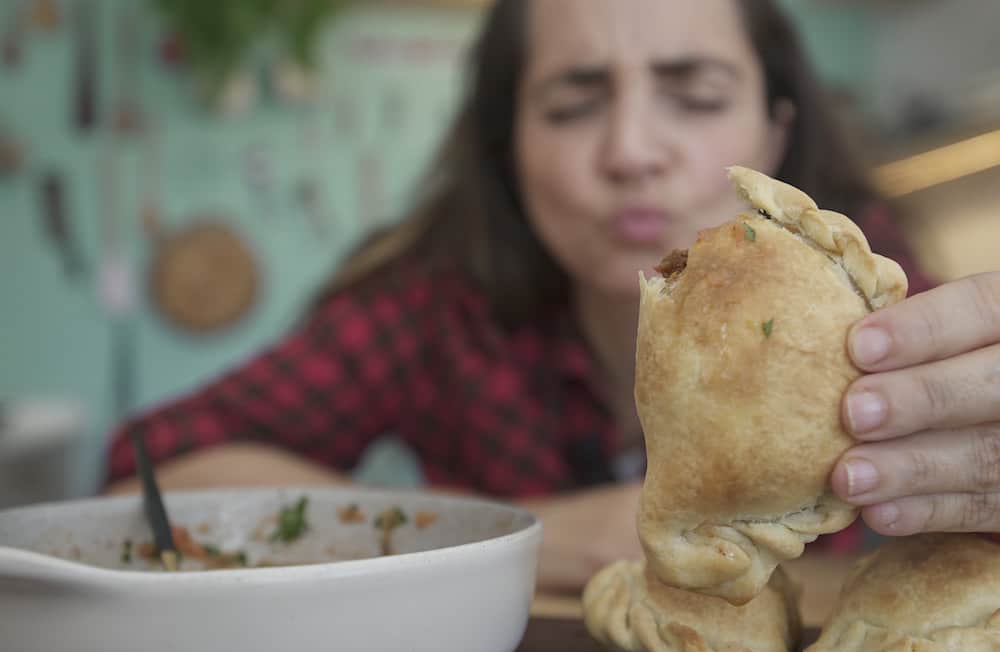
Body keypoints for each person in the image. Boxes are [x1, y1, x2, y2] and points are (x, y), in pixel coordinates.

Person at [105, 0, 999, 592]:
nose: (632, 151)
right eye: (573, 106)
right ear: (509, 149)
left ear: (773, 129)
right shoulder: (435, 311)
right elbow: (150, 469)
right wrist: (518, 534)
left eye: (694, 95)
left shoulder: (873, 302)